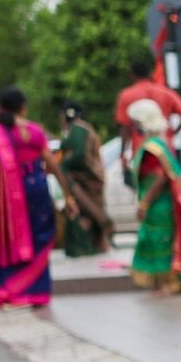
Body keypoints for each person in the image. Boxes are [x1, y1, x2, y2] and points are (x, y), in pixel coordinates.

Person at [123, 97, 181, 295]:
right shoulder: (159, 144)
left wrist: (144, 203)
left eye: (135, 122)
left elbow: (161, 177)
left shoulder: (152, 147)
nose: (133, 127)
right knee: (168, 241)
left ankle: (170, 283)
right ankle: (174, 282)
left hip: (158, 205)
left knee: (159, 242)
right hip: (162, 203)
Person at [0, 85, 56, 306]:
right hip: (37, 189)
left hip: (8, 193)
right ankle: (37, 293)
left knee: (8, 236)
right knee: (40, 237)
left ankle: (7, 290)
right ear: (23, 107)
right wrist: (68, 195)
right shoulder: (35, 130)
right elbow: (51, 163)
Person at [53, 103, 114, 258]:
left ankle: (88, 247)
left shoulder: (79, 130)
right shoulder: (81, 129)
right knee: (85, 214)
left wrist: (61, 165)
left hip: (85, 181)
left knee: (87, 212)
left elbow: (79, 155)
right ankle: (94, 246)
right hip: (85, 180)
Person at [115, 54, 181, 134]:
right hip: (164, 141)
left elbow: (125, 126)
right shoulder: (165, 92)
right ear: (150, 74)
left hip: (140, 143)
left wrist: (123, 146)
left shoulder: (126, 95)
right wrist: (173, 134)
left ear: (132, 75)